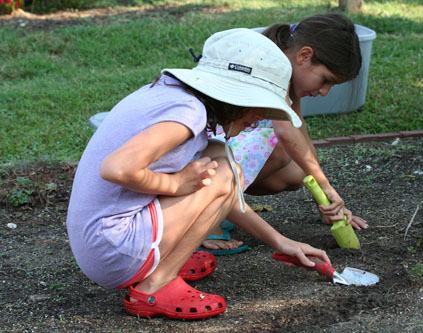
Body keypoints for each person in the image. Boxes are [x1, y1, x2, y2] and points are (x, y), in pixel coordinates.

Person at [66, 28, 331, 320]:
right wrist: (175, 182)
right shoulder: (188, 113)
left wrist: (281, 241)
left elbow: (226, 198)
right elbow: (116, 168)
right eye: (260, 106)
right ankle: (157, 284)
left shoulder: (178, 98)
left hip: (102, 241)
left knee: (221, 157)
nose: (261, 117)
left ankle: (166, 260)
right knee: (224, 172)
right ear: (236, 95)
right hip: (112, 250)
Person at [201, 12, 369, 254]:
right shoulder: (268, 66)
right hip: (200, 150)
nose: (324, 92)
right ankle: (205, 216)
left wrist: (325, 202)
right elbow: (285, 131)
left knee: (298, 171)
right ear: (305, 55)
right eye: (325, 80)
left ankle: (224, 203)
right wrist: (327, 186)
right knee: (277, 143)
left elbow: (299, 130)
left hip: (219, 152)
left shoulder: (287, 72)